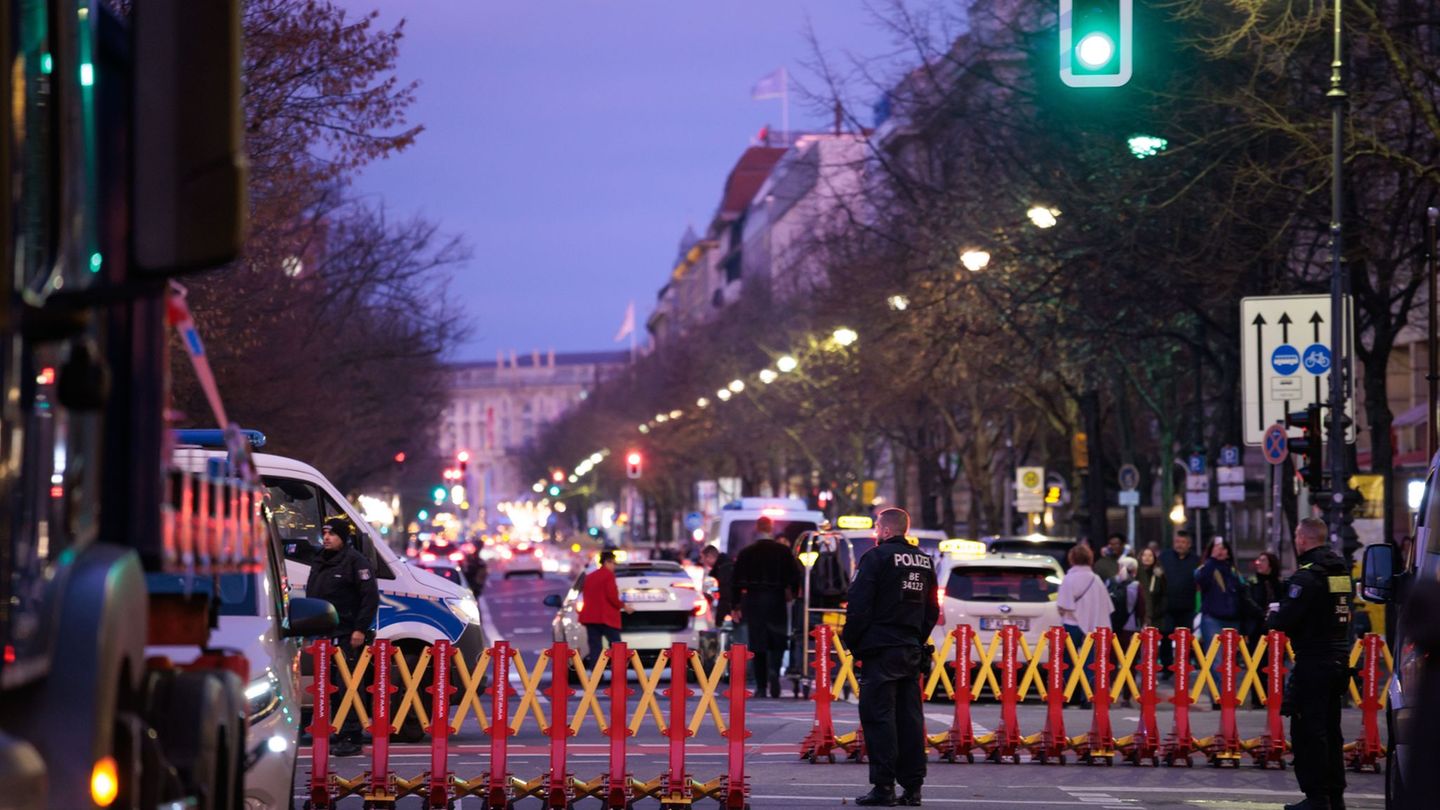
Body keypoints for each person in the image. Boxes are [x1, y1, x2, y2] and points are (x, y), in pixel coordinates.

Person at [842, 508, 938, 807]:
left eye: (876, 528)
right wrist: (915, 639)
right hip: (909, 648)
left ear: (884, 531)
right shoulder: (923, 561)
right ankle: (913, 788)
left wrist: (853, 641)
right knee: (909, 719)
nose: (875, 533)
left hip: (881, 648)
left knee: (878, 717)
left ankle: (883, 787)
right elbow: (931, 609)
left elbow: (859, 604)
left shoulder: (875, 558)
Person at [1266, 518, 1351, 810]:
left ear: (1302, 539)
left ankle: (1316, 798)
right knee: (1331, 729)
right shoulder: (1340, 572)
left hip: (1313, 661)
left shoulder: (1306, 576)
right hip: (1339, 658)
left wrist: (1274, 617)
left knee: (1309, 731)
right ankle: (1334, 796)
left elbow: (1288, 618)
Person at [306, 516, 379, 757]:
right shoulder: (320, 560)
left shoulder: (356, 562)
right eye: (325, 533)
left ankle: (352, 734)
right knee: (329, 686)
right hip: (323, 634)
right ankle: (337, 728)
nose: (326, 537)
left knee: (349, 685)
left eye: (332, 534)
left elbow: (369, 598)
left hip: (347, 634)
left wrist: (359, 629)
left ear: (343, 538)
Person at [731, 515, 803, 698]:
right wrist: (792, 594)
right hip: (777, 598)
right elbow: (795, 576)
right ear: (771, 528)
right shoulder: (783, 551)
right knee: (778, 640)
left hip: (754, 600)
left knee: (758, 643)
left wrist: (735, 605)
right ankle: (774, 671)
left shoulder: (747, 552)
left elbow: (736, 581)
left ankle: (761, 685)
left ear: (757, 528)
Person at [1056, 543, 1112, 709]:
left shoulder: (1068, 578)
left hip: (1071, 625)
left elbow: (1062, 605)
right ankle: (1087, 696)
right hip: (1093, 627)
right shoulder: (1096, 580)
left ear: (1072, 558)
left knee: (1067, 661)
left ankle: (1067, 695)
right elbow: (1106, 606)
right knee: (1089, 663)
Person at [579, 550, 634, 669]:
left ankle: (596, 675)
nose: (614, 567)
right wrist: (624, 606)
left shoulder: (590, 576)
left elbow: (585, 595)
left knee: (595, 648)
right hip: (606, 617)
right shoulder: (608, 575)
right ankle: (619, 672)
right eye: (614, 563)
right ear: (607, 562)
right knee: (617, 646)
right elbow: (612, 596)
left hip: (590, 618)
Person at [1158, 529, 1199, 677]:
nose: (1179, 545)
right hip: (1167, 605)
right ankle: (1167, 666)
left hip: (1187, 606)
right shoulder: (1164, 557)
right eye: (1177, 542)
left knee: (1184, 637)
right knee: (1166, 636)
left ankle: (1182, 666)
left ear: (1189, 544)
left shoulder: (1196, 560)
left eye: (1183, 542)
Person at [1245, 551, 1283, 651]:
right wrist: (1263, 614)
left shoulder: (1279, 583)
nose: (1259, 563)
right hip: (1256, 628)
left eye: (1263, 561)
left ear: (1271, 564)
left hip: (1275, 627)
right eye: (1258, 560)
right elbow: (1248, 601)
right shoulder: (1252, 582)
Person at [699, 544, 735, 623]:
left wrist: (713, 591)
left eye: (703, 558)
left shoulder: (725, 568)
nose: (702, 561)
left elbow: (724, 590)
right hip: (727, 606)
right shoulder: (718, 568)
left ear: (709, 557)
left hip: (728, 608)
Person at [1136, 546, 1167, 629]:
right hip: (1138, 615)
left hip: (1156, 617)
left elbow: (1164, 595)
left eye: (1150, 555)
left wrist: (1157, 612)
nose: (1147, 558)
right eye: (1144, 555)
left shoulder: (1159, 575)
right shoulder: (1136, 574)